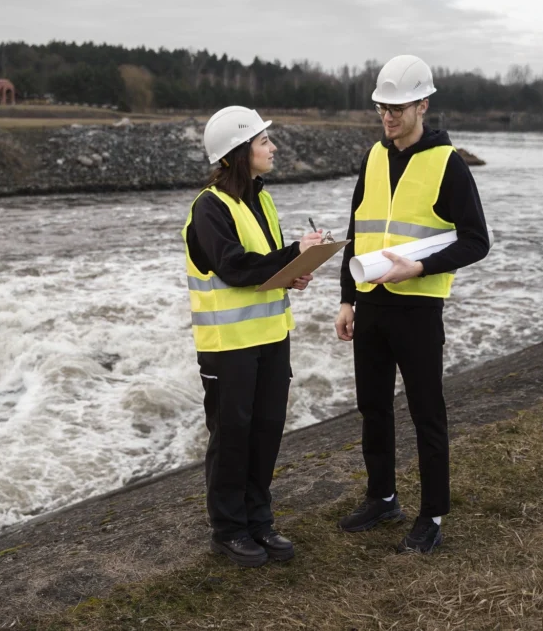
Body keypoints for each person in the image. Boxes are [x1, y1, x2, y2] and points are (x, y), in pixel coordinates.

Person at [334, 55, 491, 553]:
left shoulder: (448, 164)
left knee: (427, 413)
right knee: (373, 408)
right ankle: (382, 497)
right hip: (372, 305)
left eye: (398, 107)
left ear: (423, 105)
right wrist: (346, 298)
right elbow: (357, 229)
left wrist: (420, 267)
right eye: (383, 107)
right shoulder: (373, 157)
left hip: (419, 310)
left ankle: (433, 516)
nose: (389, 117)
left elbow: (476, 240)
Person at [182, 106, 323, 567]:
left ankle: (259, 522)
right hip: (228, 347)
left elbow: (265, 268)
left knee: (265, 431)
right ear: (239, 153)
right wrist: (290, 255)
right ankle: (228, 530)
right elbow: (234, 266)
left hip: (270, 337)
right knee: (232, 435)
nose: (272, 148)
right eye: (264, 142)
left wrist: (294, 271)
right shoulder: (209, 207)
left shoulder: (262, 200)